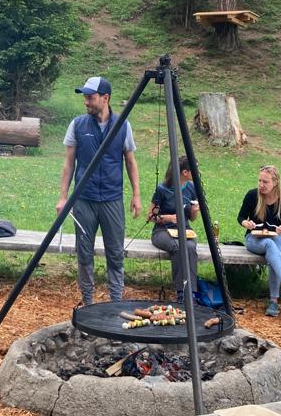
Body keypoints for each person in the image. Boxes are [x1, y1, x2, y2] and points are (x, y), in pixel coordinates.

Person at [57, 76, 142, 306]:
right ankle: (88, 302)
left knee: (115, 252)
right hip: (84, 199)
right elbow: (69, 164)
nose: (86, 102)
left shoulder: (123, 125)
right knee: (84, 252)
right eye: (85, 97)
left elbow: (130, 161)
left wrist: (136, 195)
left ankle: (115, 303)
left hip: (112, 199)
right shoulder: (77, 125)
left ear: (105, 98)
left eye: (90, 97)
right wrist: (63, 197)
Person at [237, 164, 281, 317]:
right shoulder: (252, 195)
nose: (261, 185)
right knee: (269, 245)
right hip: (253, 238)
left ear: (275, 182)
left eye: (265, 182)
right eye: (259, 180)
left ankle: (273, 302)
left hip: (275, 236)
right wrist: (247, 223)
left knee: (274, 253)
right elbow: (241, 217)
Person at [148, 156, 200, 304]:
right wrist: (168, 218)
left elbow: (192, 218)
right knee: (178, 247)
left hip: (184, 229)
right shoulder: (162, 189)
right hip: (162, 231)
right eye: (195, 169)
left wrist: (194, 211)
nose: (197, 172)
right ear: (185, 172)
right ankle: (181, 292)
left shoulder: (191, 187)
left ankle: (191, 292)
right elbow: (151, 216)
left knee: (190, 247)